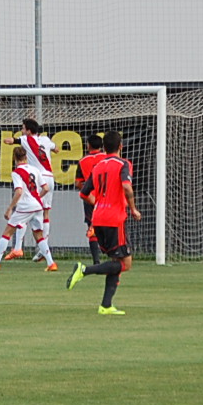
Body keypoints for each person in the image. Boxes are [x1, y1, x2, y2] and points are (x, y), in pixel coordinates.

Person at [67, 130, 141, 315]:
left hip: (97, 218)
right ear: (120, 147)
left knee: (116, 261)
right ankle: (84, 270)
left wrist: (99, 203)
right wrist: (133, 208)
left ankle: (106, 305)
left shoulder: (98, 166)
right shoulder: (124, 164)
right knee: (126, 263)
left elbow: (83, 193)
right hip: (114, 219)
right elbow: (126, 186)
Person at [0, 145, 54, 272]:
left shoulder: (16, 172)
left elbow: (18, 191)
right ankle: (51, 263)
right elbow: (45, 188)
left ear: (14, 158)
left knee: (7, 233)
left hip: (25, 206)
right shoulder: (35, 170)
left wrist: (10, 208)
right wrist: (37, 197)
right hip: (38, 206)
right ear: (26, 157)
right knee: (39, 235)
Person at [2, 118, 57, 267]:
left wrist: (8, 140)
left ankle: (19, 248)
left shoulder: (25, 139)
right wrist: (53, 150)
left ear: (28, 130)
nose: (21, 130)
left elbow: (12, 140)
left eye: (23, 128)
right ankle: (41, 248)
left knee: (23, 208)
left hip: (38, 178)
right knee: (44, 213)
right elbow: (55, 148)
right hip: (50, 178)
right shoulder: (45, 139)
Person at [74, 132, 108, 268]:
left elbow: (78, 184)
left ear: (88, 145)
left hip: (90, 198)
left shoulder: (82, 161)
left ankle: (96, 260)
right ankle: (116, 255)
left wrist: (87, 190)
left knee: (92, 227)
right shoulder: (107, 158)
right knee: (112, 226)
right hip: (107, 196)